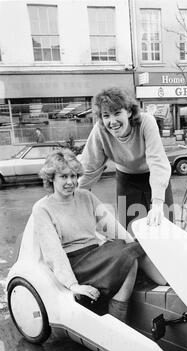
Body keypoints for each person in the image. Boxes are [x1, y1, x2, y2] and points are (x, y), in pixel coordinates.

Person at [32, 149, 167, 321]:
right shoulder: (42, 208)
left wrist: (134, 245)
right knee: (129, 258)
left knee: (135, 248)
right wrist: (73, 285)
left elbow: (112, 226)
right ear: (51, 178)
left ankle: (172, 287)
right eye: (64, 177)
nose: (71, 182)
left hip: (96, 253)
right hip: (76, 262)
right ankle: (118, 320)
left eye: (74, 176)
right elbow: (53, 252)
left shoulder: (85, 196)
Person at [78, 87, 173, 231]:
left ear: (129, 112)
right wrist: (72, 197)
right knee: (130, 229)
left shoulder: (146, 122)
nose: (112, 121)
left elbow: (157, 162)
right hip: (126, 179)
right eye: (106, 116)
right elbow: (88, 167)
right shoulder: (100, 131)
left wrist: (158, 203)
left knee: (163, 225)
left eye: (117, 113)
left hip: (153, 174)